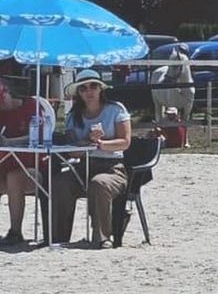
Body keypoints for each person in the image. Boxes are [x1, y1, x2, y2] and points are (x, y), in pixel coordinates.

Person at [46, 69, 131, 248]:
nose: (89, 91)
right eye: (83, 88)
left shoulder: (116, 109)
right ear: (79, 92)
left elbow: (125, 142)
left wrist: (100, 144)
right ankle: (58, 237)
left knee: (98, 183)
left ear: (101, 88)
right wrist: (88, 141)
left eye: (93, 86)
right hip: (83, 166)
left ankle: (102, 238)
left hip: (112, 168)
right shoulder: (72, 117)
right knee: (60, 182)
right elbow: (72, 151)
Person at [0, 76, 39, 245]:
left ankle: (15, 231)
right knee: (8, 176)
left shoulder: (31, 106)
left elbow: (38, 136)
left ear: (8, 93)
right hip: (4, 166)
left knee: (14, 177)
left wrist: (9, 142)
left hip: (33, 169)